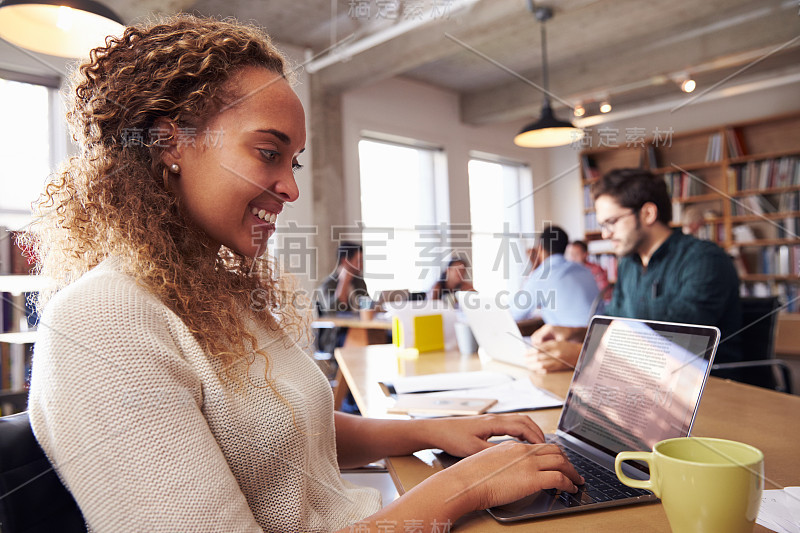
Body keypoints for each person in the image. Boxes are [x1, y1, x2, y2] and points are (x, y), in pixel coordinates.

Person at [23, 15, 582, 532]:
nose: (291, 187)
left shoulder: (213, 293)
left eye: (293, 162)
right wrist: (464, 486)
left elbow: (285, 431)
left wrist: (430, 431)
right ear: (170, 142)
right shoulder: (102, 323)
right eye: (269, 152)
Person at [527, 168, 742, 375]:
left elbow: (679, 343)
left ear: (648, 213)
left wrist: (585, 353)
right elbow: (615, 327)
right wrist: (574, 334)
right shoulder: (629, 264)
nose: (605, 234)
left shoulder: (704, 260)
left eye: (611, 222)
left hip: (708, 387)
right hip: (645, 385)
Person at [510, 225, 600, 327]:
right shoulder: (583, 270)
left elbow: (515, 313)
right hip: (597, 336)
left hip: (573, 339)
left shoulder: (542, 275)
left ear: (540, 248)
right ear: (566, 247)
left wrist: (533, 266)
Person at [316, 241, 369, 314]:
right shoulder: (327, 284)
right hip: (340, 325)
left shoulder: (359, 281)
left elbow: (367, 306)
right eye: (359, 261)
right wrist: (344, 282)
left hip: (360, 324)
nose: (362, 265)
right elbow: (332, 311)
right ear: (345, 261)